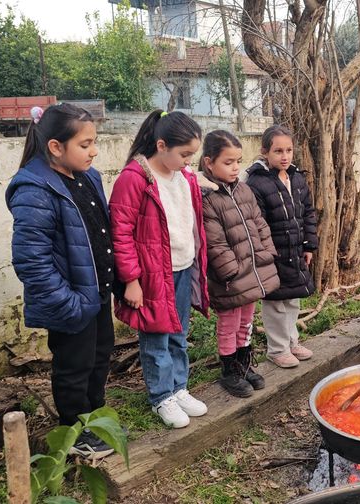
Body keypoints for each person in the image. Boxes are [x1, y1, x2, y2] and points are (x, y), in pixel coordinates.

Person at [6, 103, 116, 459]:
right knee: (74, 367)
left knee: (99, 358)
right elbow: (31, 261)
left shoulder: (89, 177)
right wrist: (68, 304)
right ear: (55, 147)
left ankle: (94, 421)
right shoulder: (34, 189)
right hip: (71, 301)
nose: (93, 151)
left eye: (94, 142)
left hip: (97, 291)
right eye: (85, 145)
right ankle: (74, 431)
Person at [109, 110, 210, 429]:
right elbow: (120, 232)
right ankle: (161, 396)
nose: (188, 161)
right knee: (156, 336)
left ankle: (179, 387)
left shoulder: (183, 176)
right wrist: (131, 280)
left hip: (182, 268)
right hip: (152, 275)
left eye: (192, 155)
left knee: (179, 332)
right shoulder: (134, 179)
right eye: (184, 154)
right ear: (162, 145)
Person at [199, 130, 280, 398]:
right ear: (209, 163)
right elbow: (215, 243)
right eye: (228, 162)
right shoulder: (207, 198)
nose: (235, 168)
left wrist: (267, 252)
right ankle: (230, 370)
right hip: (231, 278)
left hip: (252, 271)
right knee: (229, 323)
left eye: (238, 161)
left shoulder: (243, 189)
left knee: (246, 320)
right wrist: (232, 272)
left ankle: (244, 365)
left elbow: (259, 224)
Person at [245, 125, 318, 368]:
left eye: (288, 150)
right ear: (265, 151)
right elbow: (257, 223)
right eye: (278, 151)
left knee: (292, 299)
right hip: (273, 254)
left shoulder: (296, 178)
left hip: (295, 250)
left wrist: (308, 245)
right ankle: (277, 349)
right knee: (275, 302)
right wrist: (266, 254)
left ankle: (291, 342)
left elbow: (308, 212)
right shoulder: (257, 183)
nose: (284, 156)